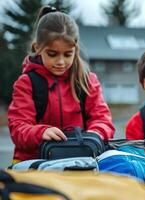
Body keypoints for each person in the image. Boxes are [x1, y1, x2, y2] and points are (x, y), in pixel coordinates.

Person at [7, 6, 115, 163]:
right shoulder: (26, 83)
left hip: (80, 162)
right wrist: (41, 132)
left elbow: (103, 120)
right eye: (52, 54)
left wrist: (95, 134)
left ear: (75, 49)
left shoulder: (88, 80)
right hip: (34, 163)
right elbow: (18, 129)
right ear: (37, 48)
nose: (60, 62)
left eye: (67, 54)